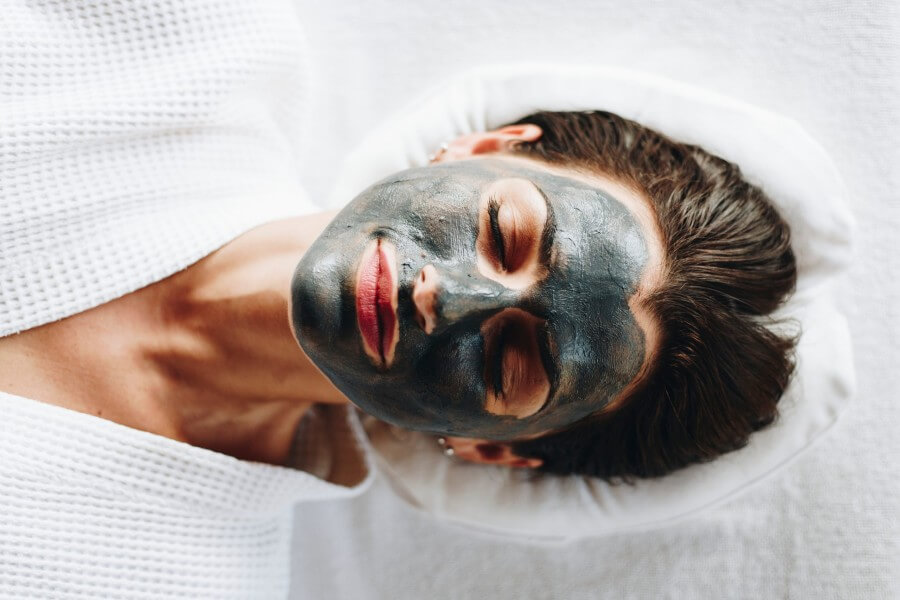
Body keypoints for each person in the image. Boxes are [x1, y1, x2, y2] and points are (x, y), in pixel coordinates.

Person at [0, 110, 797, 481]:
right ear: (482, 145)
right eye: (504, 232)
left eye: (511, 363)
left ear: (491, 448)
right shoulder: (169, 50)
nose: (446, 298)